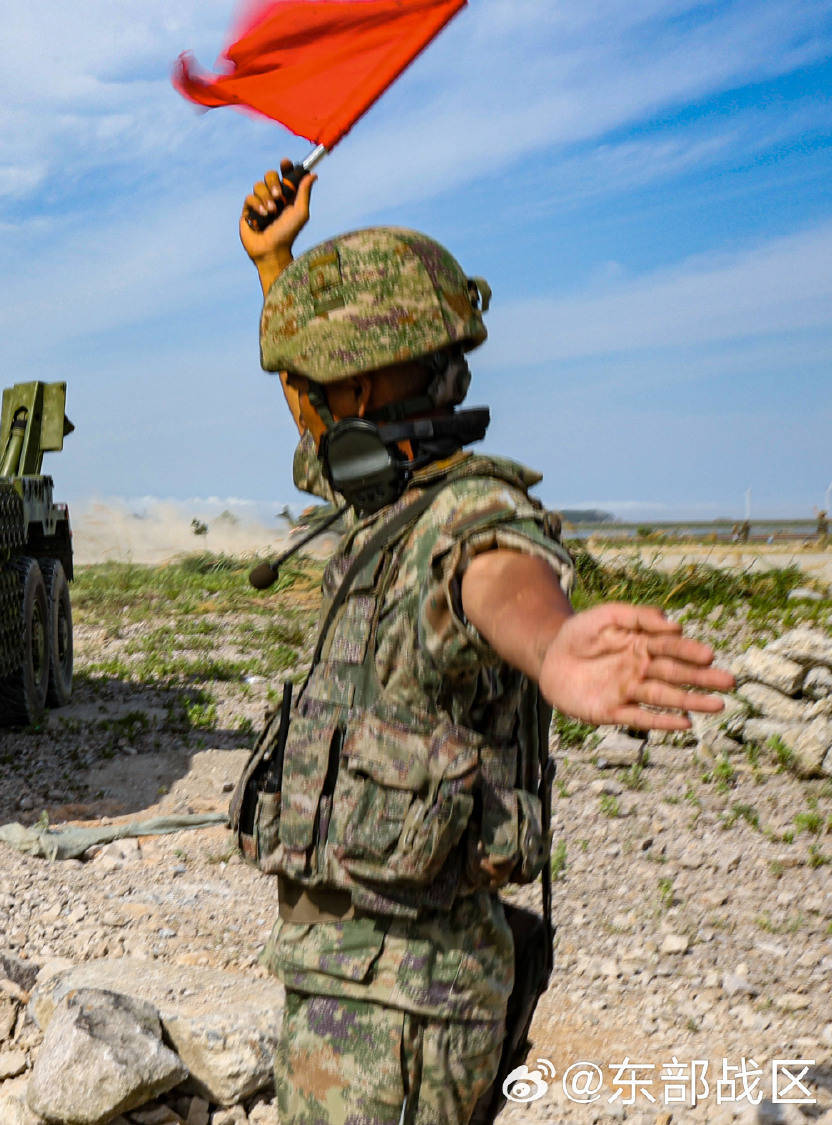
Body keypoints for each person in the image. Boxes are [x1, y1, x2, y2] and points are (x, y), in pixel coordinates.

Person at [232, 164, 735, 1125]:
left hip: (410, 1013)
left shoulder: (468, 512)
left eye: (309, 382)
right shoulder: (392, 495)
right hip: (363, 991)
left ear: (368, 382)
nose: (300, 402)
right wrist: (275, 266)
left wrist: (551, 646)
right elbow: (326, 429)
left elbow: (494, 572)